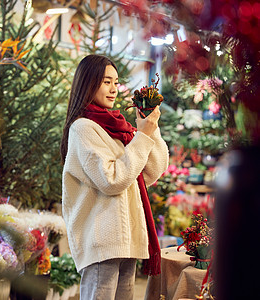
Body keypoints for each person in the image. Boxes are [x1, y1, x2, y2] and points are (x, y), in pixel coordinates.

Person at [60, 54, 169, 299]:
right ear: (88, 83)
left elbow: (151, 172)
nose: (113, 89)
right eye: (106, 81)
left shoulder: (117, 127)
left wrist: (150, 131)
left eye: (116, 82)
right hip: (103, 241)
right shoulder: (84, 128)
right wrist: (142, 138)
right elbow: (112, 180)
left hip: (127, 238)